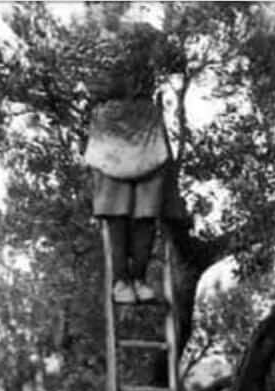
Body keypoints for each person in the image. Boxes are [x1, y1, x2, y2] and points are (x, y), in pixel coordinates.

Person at [84, 20, 181, 304]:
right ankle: (121, 282)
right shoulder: (93, 42)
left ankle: (138, 278)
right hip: (111, 130)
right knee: (116, 213)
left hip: (144, 128)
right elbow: (91, 84)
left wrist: (159, 46)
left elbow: (175, 61)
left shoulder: (143, 34)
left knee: (146, 213)